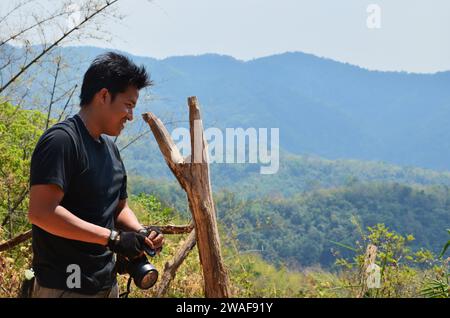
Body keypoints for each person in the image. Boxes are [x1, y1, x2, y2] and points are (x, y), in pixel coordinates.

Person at [27, 52, 164, 298]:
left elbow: (119, 208)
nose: (131, 116)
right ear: (103, 96)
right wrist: (112, 238)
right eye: (128, 105)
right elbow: (41, 212)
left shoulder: (111, 150)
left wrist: (141, 233)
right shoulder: (62, 141)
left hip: (105, 283)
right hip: (64, 286)